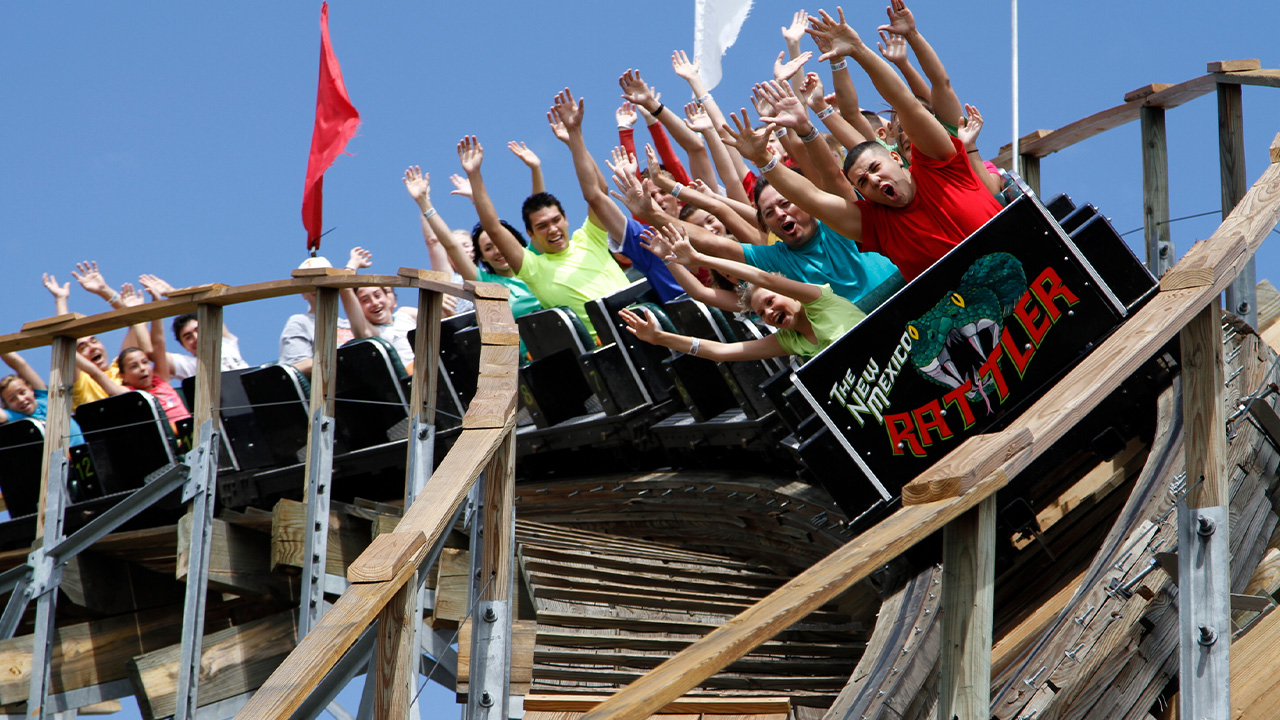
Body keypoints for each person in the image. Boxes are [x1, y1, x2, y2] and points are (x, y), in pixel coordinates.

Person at [713, 8, 1002, 283]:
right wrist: (763, 160)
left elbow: (907, 104)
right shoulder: (877, 226)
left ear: (896, 157)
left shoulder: (941, 164)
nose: (873, 180)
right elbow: (812, 199)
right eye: (862, 182)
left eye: (875, 168)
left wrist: (858, 50)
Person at [611, 154, 899, 310]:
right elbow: (714, 242)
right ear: (765, 225)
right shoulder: (776, 259)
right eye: (770, 213)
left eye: (785, 204)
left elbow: (834, 174)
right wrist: (652, 215)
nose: (780, 214)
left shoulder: (841, 220)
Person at [457, 113, 633, 342]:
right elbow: (493, 228)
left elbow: (599, 192)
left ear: (565, 218)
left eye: (555, 220)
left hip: (644, 318)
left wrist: (574, 139)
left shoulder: (590, 237)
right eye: (542, 226)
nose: (552, 229)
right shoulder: (533, 267)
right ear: (530, 234)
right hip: (609, 345)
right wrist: (474, 175)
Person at [620, 225, 865, 361]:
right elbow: (722, 352)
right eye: (761, 312)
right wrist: (661, 338)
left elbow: (762, 277)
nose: (769, 312)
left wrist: (698, 258)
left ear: (791, 294)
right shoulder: (788, 339)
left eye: (770, 301)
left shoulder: (818, 299)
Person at [402, 165, 541, 320]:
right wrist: (424, 203)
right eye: (488, 248)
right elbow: (447, 245)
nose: (497, 250)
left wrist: (536, 168)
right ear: (482, 257)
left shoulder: (533, 259)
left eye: (499, 242)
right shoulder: (486, 283)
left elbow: (537, 215)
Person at [278, 249, 376, 377]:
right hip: (328, 392)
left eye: (324, 279)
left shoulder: (348, 324)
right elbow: (295, 368)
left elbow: (370, 338)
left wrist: (351, 267)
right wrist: (344, 361)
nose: (317, 286)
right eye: (309, 282)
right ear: (302, 293)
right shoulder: (300, 322)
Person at [135, 274, 250, 381]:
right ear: (184, 346)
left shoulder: (225, 345)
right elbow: (154, 352)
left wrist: (173, 292)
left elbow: (209, 312)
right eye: (187, 337)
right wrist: (138, 318)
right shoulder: (188, 365)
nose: (195, 337)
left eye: (198, 330)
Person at [0, 352, 87, 446]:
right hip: (61, 459)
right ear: (6, 406)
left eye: (22, 392)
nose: (21, 399)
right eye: (12, 399)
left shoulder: (46, 399)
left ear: (31, 389)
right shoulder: (17, 417)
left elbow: (20, 364)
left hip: (86, 454)